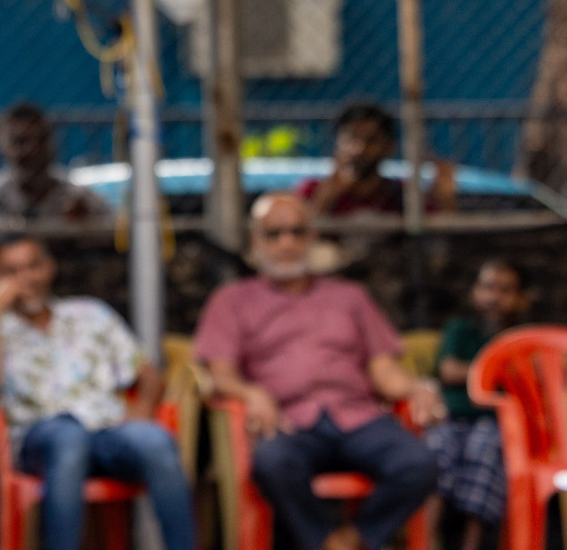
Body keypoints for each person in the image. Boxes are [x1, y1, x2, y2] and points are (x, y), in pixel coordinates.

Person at [194, 192, 442, 550]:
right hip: (287, 420)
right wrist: (251, 393)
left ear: (312, 238)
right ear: (255, 241)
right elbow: (220, 374)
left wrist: (417, 387)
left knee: (419, 463)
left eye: (297, 232)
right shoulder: (231, 301)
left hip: (358, 417)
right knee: (271, 462)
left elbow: (383, 370)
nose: (287, 243)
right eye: (274, 233)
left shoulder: (350, 297)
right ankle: (322, 541)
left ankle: (353, 540)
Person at [0, 236, 193, 550]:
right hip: (40, 440)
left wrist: (143, 411)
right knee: (69, 439)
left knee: (156, 441)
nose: (27, 279)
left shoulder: (91, 314)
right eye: (11, 272)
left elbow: (148, 375)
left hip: (107, 431)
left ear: (50, 267)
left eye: (34, 266)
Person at [426, 259, 529, 550]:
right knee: (436, 448)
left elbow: (524, 381)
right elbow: (448, 370)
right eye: (487, 287)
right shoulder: (460, 328)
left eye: (505, 290)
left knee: (485, 450)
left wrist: (471, 372)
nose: (494, 297)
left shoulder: (519, 337)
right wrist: (495, 371)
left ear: (521, 300)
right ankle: (427, 539)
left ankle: (471, 544)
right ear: (474, 292)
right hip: (452, 419)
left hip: (496, 425)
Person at [0, 103, 109, 229]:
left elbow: (112, 225)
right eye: (20, 142)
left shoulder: (75, 194)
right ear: (2, 147)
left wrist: (86, 222)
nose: (33, 150)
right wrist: (62, 225)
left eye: (41, 139)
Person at [300, 103, 457, 218]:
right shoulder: (312, 190)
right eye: (352, 139)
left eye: (371, 140)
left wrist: (446, 200)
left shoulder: (403, 195)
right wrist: (325, 199)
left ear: (388, 147)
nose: (359, 149)